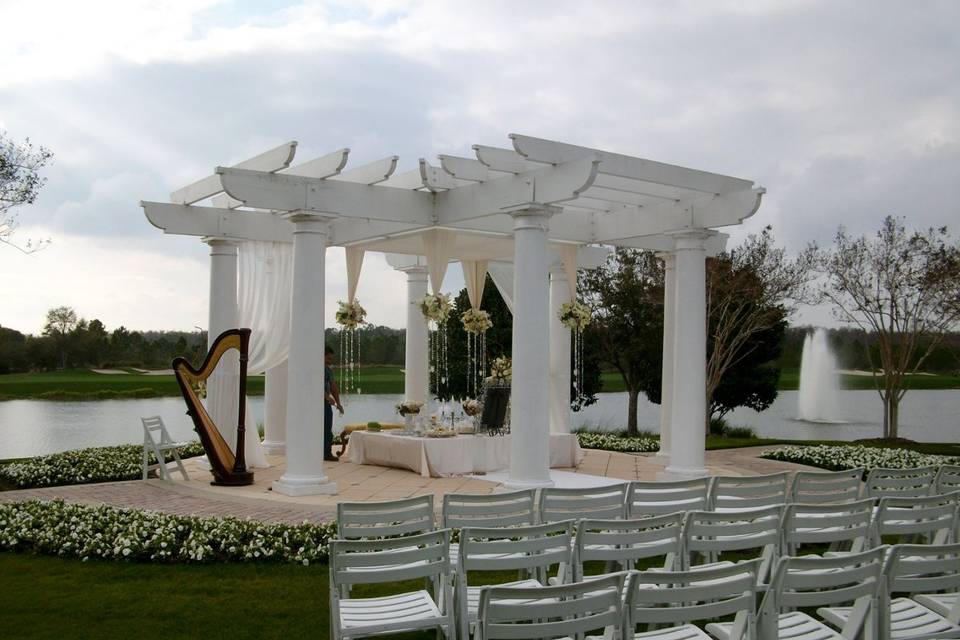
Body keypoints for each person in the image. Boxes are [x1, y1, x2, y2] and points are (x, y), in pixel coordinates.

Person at [323, 345, 344, 462]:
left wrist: (338, 403)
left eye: (331, 359)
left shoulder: (328, 370)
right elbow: (314, 384)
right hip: (316, 403)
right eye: (327, 358)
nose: (329, 361)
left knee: (327, 428)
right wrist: (326, 396)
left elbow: (333, 386)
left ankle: (326, 452)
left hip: (326, 404)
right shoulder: (316, 369)